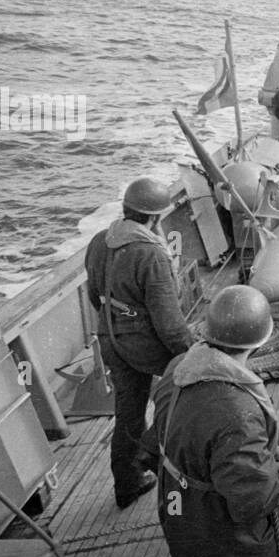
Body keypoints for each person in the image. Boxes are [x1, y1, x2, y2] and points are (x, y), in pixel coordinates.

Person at [148, 285, 279, 557]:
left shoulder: (176, 371)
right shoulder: (238, 412)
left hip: (183, 519)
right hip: (228, 547)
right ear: (261, 341)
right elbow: (255, 499)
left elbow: (155, 443)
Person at [85, 177, 194, 509]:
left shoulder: (99, 241)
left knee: (128, 414)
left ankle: (127, 484)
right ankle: (171, 466)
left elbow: (94, 295)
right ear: (155, 218)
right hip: (147, 346)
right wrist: (194, 353)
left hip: (111, 340)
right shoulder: (151, 254)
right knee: (190, 399)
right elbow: (169, 324)